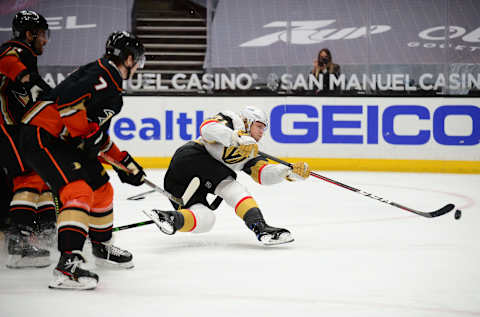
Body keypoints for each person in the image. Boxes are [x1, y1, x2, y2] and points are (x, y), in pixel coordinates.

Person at [28, 30, 146, 289]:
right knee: (78, 190)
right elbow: (69, 105)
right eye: (137, 61)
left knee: (102, 189)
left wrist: (123, 161)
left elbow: (96, 135)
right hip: (44, 135)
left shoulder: (110, 84)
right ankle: (67, 265)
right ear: (127, 59)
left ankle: (101, 246)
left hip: (64, 140)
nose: (138, 67)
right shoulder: (103, 73)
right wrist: (82, 135)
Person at [144, 106, 310, 245]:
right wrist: (236, 138)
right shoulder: (232, 120)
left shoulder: (251, 151)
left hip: (182, 181)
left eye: (264, 129)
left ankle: (172, 219)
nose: (261, 132)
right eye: (259, 126)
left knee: (206, 220)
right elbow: (207, 128)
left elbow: (262, 175)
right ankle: (260, 227)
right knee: (231, 186)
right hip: (192, 157)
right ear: (247, 121)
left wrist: (287, 172)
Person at [0, 10, 56, 268]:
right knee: (28, 177)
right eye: (42, 34)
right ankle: (18, 245)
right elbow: (8, 61)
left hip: (14, 128)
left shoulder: (27, 54)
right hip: (4, 127)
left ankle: (46, 230)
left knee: (40, 173)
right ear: (29, 34)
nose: (45, 40)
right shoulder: (16, 49)